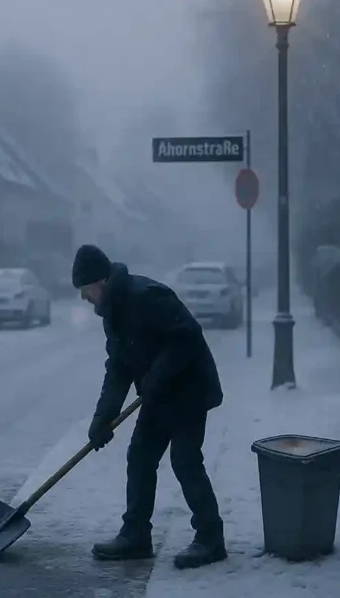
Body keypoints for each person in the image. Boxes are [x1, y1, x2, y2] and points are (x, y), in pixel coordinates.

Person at [71, 244, 227, 570]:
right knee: (140, 458)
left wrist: (158, 373)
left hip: (188, 390)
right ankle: (136, 536)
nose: (84, 298)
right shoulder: (113, 314)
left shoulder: (146, 296)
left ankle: (211, 540)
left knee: (184, 461)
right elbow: (118, 369)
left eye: (85, 290)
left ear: (99, 282)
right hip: (158, 396)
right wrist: (103, 417)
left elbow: (186, 337)